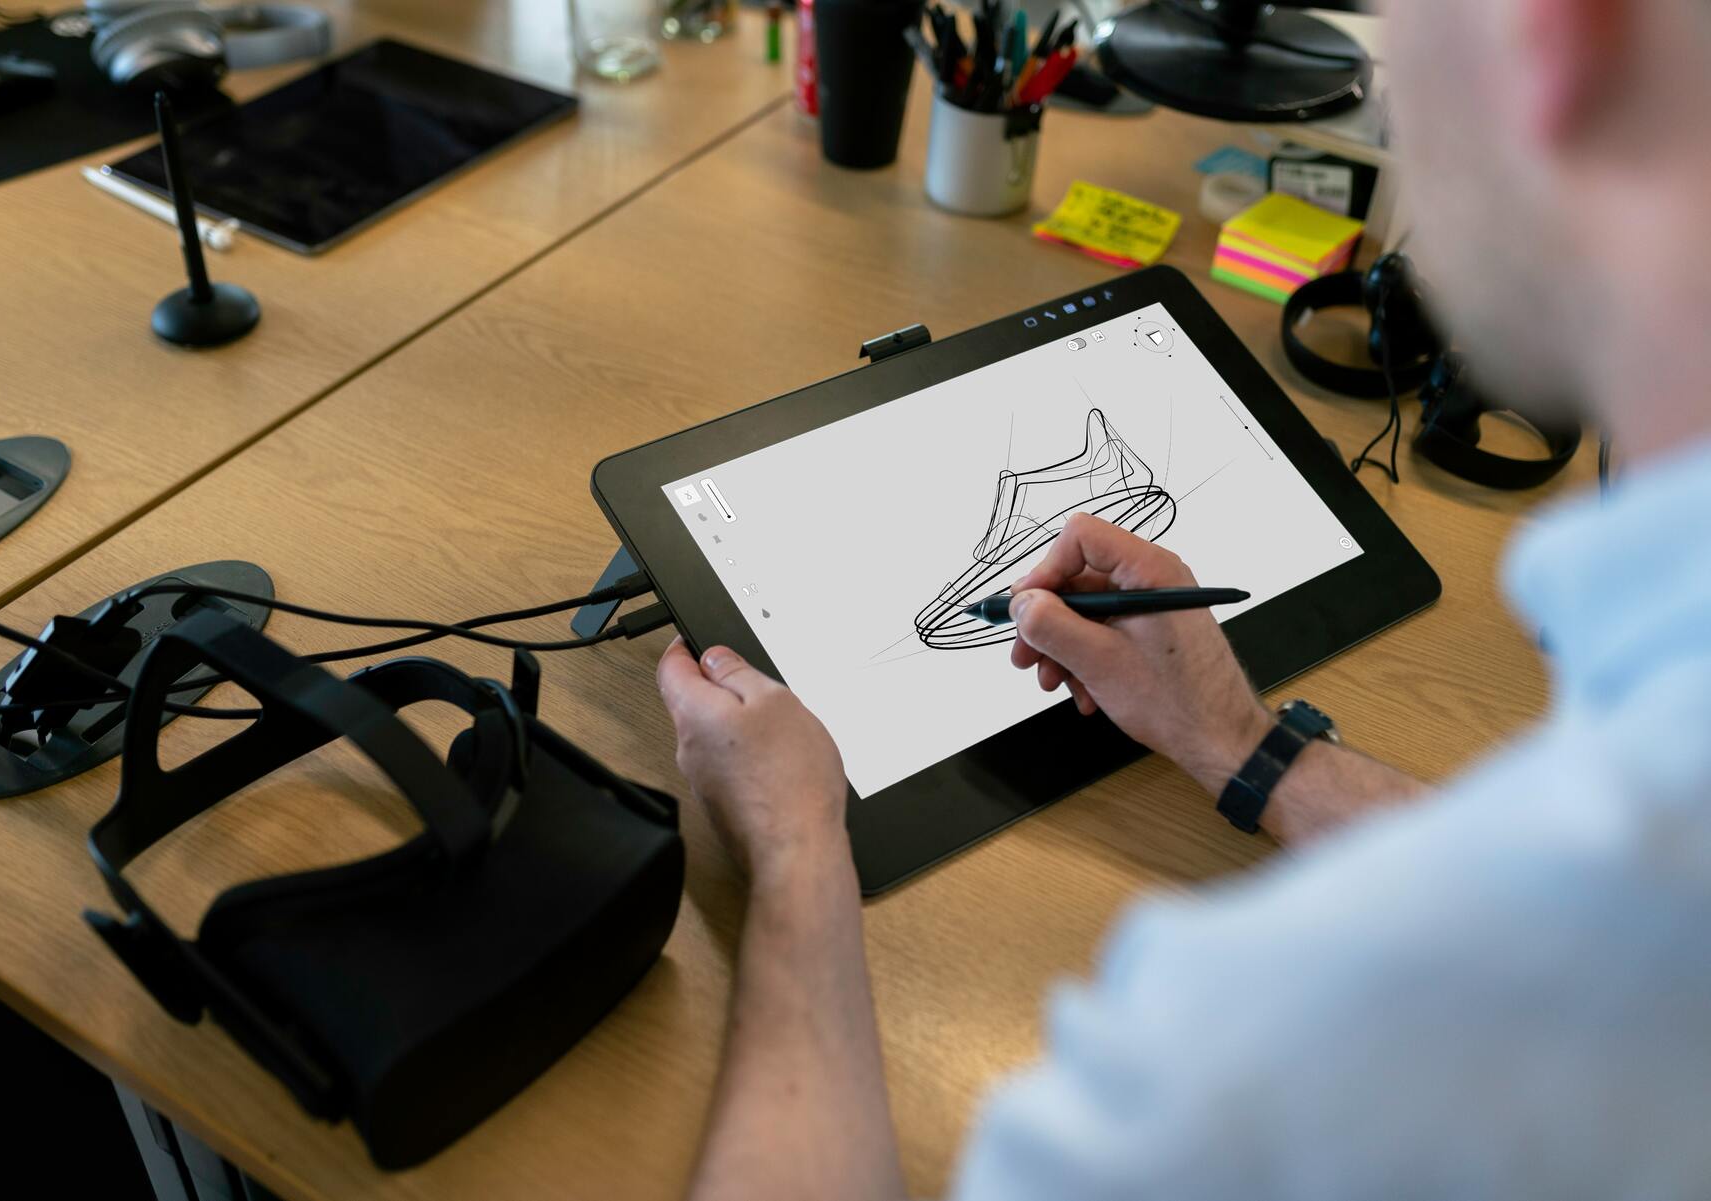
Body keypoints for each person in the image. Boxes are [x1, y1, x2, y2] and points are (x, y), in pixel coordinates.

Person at [654, 0, 1711, 1196]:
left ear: (1556, 34)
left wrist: (798, 847)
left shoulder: (1266, 1050)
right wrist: (1242, 743)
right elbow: (1531, 913)